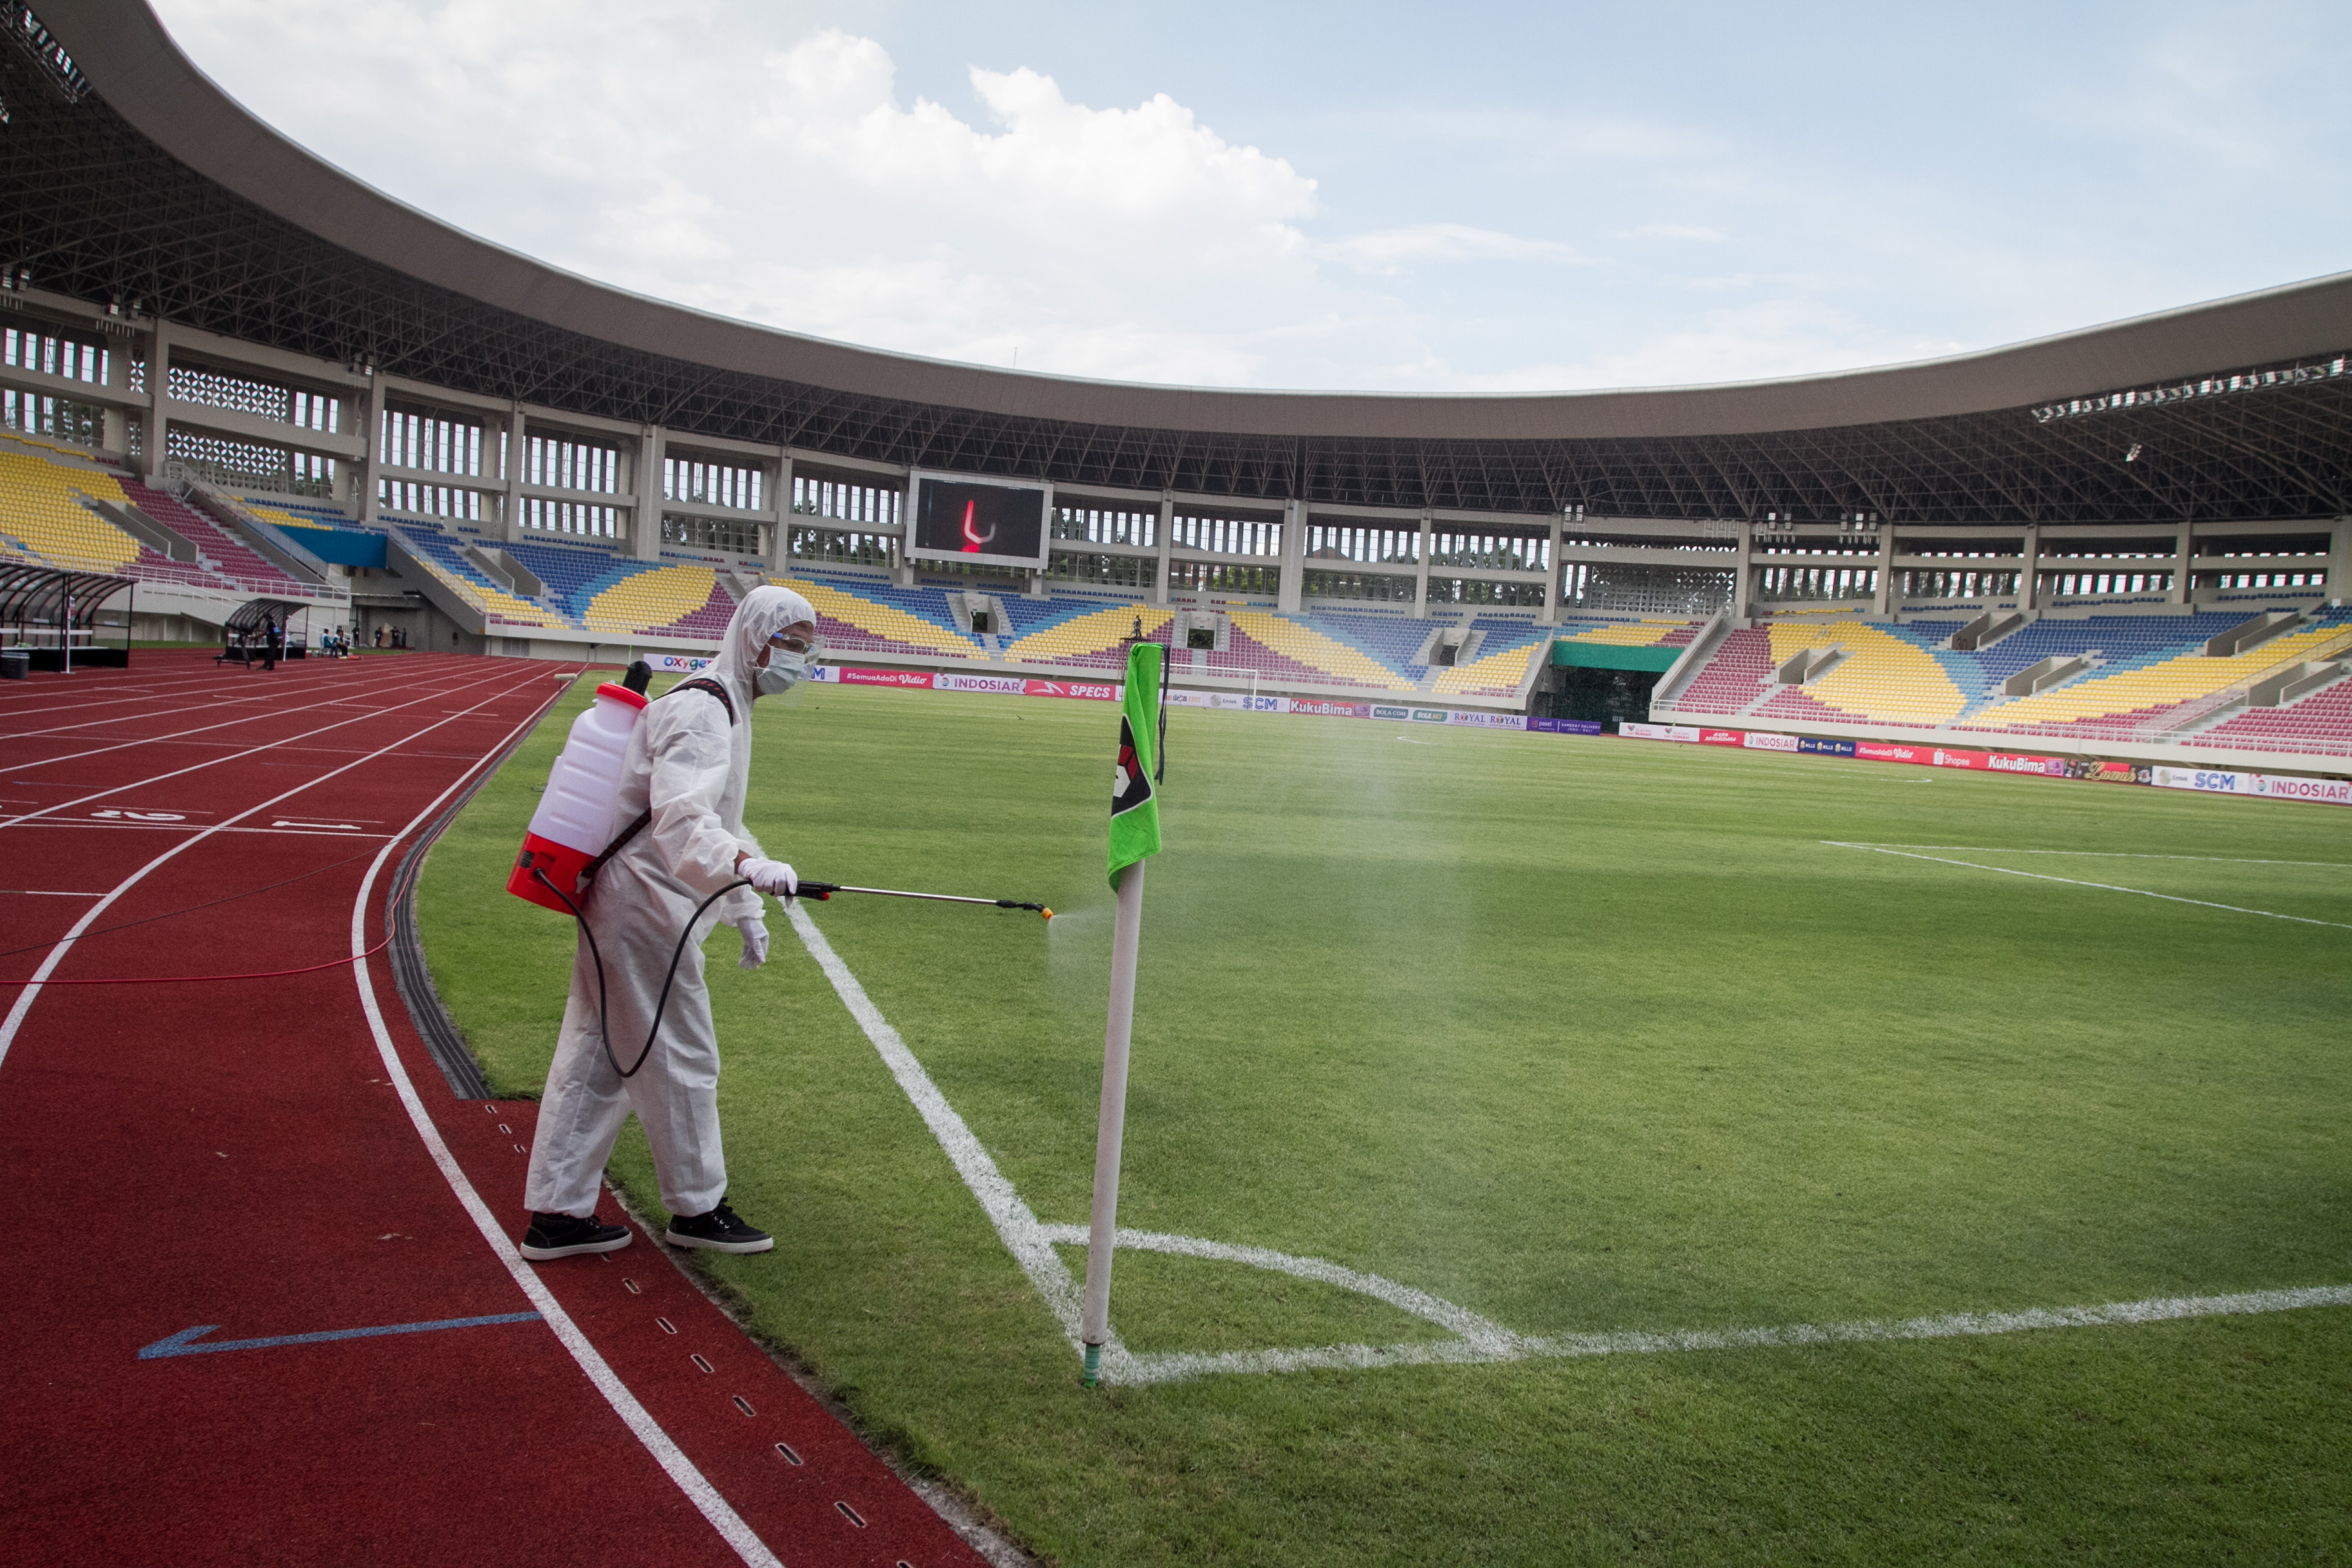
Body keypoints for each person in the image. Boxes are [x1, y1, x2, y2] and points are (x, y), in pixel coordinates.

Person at [519, 585, 817, 1261]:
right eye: (790, 644)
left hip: (632, 905)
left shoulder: (726, 705)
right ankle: (698, 1208)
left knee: (597, 1057)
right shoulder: (705, 711)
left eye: (805, 647)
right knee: (681, 1055)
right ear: (754, 638)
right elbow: (681, 818)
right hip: (643, 910)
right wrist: (747, 867)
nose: (799, 659)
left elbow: (724, 818)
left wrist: (744, 905)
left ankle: (557, 1215)